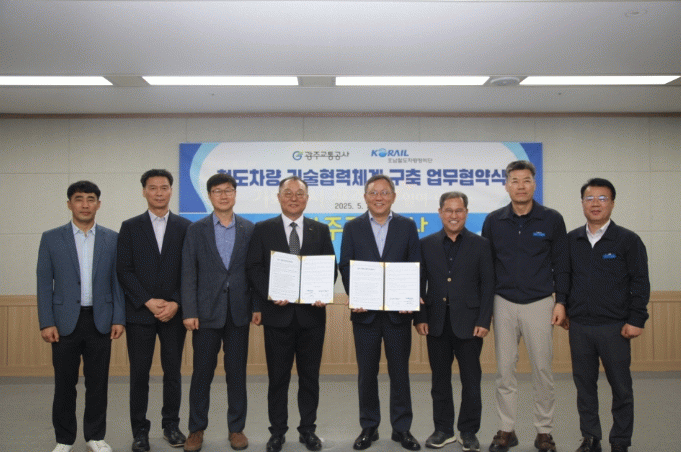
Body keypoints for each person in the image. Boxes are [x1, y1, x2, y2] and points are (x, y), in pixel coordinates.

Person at [481, 160, 569, 452]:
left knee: (542, 370)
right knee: (505, 371)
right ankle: (506, 429)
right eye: (515, 181)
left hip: (540, 303)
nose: (521, 186)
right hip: (503, 302)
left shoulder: (552, 219)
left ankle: (544, 431)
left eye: (526, 180)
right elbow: (486, 266)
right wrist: (486, 307)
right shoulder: (493, 221)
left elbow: (562, 264)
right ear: (506, 186)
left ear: (534, 184)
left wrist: (562, 301)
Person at [246, 176, 337, 452]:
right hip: (278, 317)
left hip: (312, 318)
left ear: (307, 198)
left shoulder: (320, 230)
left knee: (310, 378)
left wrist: (322, 291)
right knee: (278, 379)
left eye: (299, 193)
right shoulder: (263, 229)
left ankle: (308, 430)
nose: (294, 198)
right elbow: (254, 268)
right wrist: (271, 292)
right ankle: (277, 432)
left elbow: (330, 267)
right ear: (279, 197)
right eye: (288, 193)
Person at [37, 181, 125, 452]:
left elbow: (117, 282)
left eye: (90, 199)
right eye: (79, 199)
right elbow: (44, 283)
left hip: (101, 320)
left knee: (98, 384)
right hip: (64, 323)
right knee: (65, 384)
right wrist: (46, 322)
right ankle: (64, 439)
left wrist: (118, 318)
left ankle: (95, 436)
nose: (85, 204)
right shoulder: (51, 238)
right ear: (69, 204)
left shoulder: (112, 238)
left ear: (98, 204)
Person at [566, 178, 649, 452]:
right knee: (584, 388)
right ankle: (590, 438)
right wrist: (563, 307)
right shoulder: (571, 240)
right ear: (582, 203)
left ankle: (620, 441)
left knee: (621, 388)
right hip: (579, 326)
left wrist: (636, 319)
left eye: (603, 198)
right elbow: (564, 278)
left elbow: (640, 282)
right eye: (590, 198)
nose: (596, 204)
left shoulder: (628, 240)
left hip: (615, 327)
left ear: (612, 203)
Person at [340, 174, 422, 451]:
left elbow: (415, 263)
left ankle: (402, 428)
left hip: (399, 313)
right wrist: (355, 295)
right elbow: (346, 265)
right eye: (374, 193)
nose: (379, 198)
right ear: (365, 197)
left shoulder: (407, 226)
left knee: (400, 373)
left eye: (385, 193)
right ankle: (369, 426)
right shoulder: (352, 227)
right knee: (367, 373)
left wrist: (410, 295)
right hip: (366, 314)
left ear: (393, 197)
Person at [117, 169, 192, 451]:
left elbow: (190, 270)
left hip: (173, 313)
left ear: (171, 190)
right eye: (153, 188)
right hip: (140, 313)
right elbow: (124, 270)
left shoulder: (186, 227)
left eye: (164, 187)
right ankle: (140, 431)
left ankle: (171, 425)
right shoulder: (130, 227)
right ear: (144, 191)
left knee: (173, 372)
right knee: (139, 374)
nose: (158, 193)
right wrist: (147, 301)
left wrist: (176, 302)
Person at [181, 173, 255, 452]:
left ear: (235, 194)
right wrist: (189, 310)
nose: (223, 195)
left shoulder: (249, 228)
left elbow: (255, 271)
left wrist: (256, 307)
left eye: (228, 190)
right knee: (202, 374)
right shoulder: (196, 230)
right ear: (209, 195)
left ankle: (236, 429)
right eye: (217, 191)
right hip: (205, 314)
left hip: (238, 313)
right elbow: (188, 272)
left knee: (237, 374)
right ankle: (196, 429)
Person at [415, 192, 494, 452]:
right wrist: (420, 317)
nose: (453, 215)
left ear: (466, 213)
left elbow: (488, 284)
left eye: (459, 210)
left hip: (470, 323)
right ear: (440, 213)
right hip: (436, 322)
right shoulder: (426, 244)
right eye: (448, 210)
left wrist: (484, 319)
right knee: (440, 380)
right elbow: (419, 284)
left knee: (471, 381)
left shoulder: (481, 244)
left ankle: (468, 431)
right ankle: (443, 430)